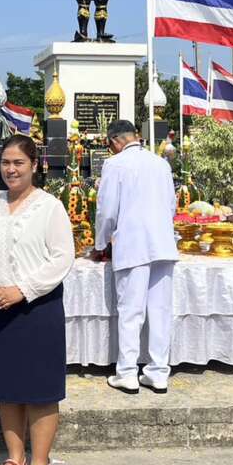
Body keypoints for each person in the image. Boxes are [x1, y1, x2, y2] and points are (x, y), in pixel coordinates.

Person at [0, 135, 75, 465]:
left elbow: (62, 258)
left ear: (34, 166)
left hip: (38, 307)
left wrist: (22, 289)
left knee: (41, 390)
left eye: (19, 163)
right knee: (8, 388)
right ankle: (15, 459)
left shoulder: (50, 207)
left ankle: (41, 464)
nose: (11, 170)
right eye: (6, 163)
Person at [92, 120, 178, 395]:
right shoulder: (160, 163)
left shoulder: (115, 164)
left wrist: (100, 243)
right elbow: (171, 205)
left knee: (131, 311)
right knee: (160, 311)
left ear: (115, 141)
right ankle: (158, 371)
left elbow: (106, 211)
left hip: (133, 243)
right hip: (163, 242)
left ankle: (128, 372)